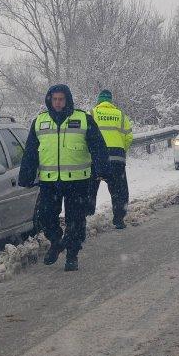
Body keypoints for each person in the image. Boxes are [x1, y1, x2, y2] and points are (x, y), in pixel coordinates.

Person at [19, 84, 109, 271]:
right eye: (55, 99)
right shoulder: (39, 122)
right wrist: (26, 175)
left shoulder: (83, 119)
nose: (58, 103)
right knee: (45, 217)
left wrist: (102, 169)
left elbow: (98, 146)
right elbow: (30, 152)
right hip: (50, 181)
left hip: (78, 181)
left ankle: (72, 255)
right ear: (50, 100)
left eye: (61, 99)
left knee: (75, 220)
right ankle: (57, 241)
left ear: (67, 100)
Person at [87, 89, 133, 229]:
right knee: (119, 190)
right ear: (110, 101)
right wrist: (121, 150)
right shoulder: (120, 115)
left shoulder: (92, 113)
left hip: (96, 160)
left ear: (99, 101)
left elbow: (85, 136)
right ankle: (119, 219)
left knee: (90, 189)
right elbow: (129, 137)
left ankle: (87, 217)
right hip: (116, 160)